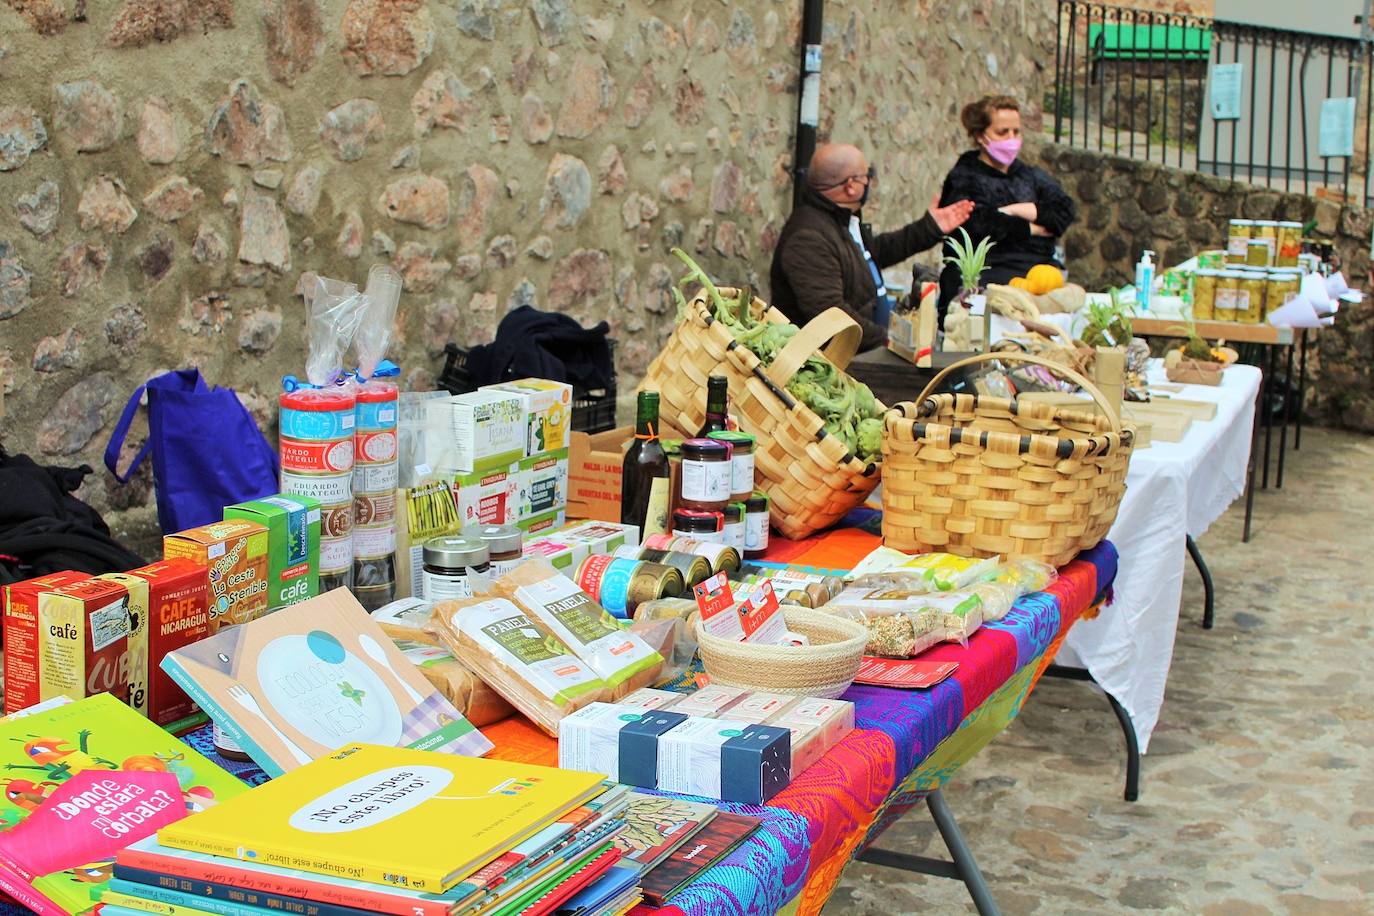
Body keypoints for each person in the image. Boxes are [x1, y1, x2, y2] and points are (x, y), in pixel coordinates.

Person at [770, 143, 974, 353]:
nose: (869, 181)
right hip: (834, 365)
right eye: (867, 175)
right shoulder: (808, 239)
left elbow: (869, 255)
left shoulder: (838, 219)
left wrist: (929, 228)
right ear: (851, 185)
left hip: (866, 352)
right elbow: (832, 317)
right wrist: (892, 341)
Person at [937, 95, 1077, 311]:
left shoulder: (1030, 175)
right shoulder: (964, 176)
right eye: (1003, 132)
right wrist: (1032, 228)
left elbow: (1065, 209)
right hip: (988, 272)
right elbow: (976, 222)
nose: (1012, 138)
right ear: (980, 135)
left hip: (1037, 271)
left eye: (1016, 131)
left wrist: (1021, 210)